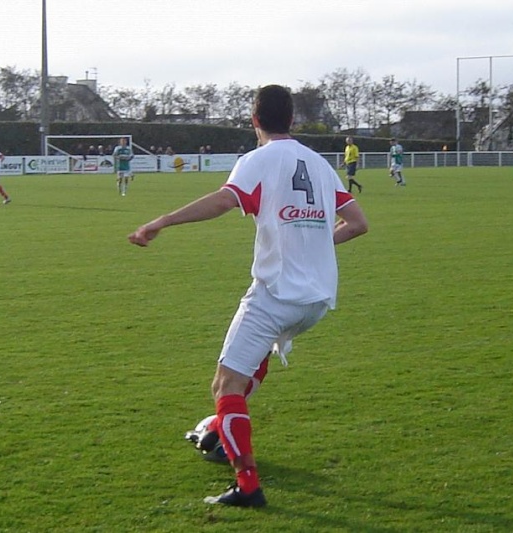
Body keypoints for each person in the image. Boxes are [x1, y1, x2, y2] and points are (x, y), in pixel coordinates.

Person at [128, 84, 369, 508]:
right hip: (316, 301)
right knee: (252, 360)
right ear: (292, 120)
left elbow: (225, 201)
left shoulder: (258, 160)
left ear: (254, 120)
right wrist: (313, 246)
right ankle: (220, 432)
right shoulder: (319, 164)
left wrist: (162, 221)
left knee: (225, 384)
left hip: (276, 294)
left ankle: (248, 486)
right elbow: (357, 224)